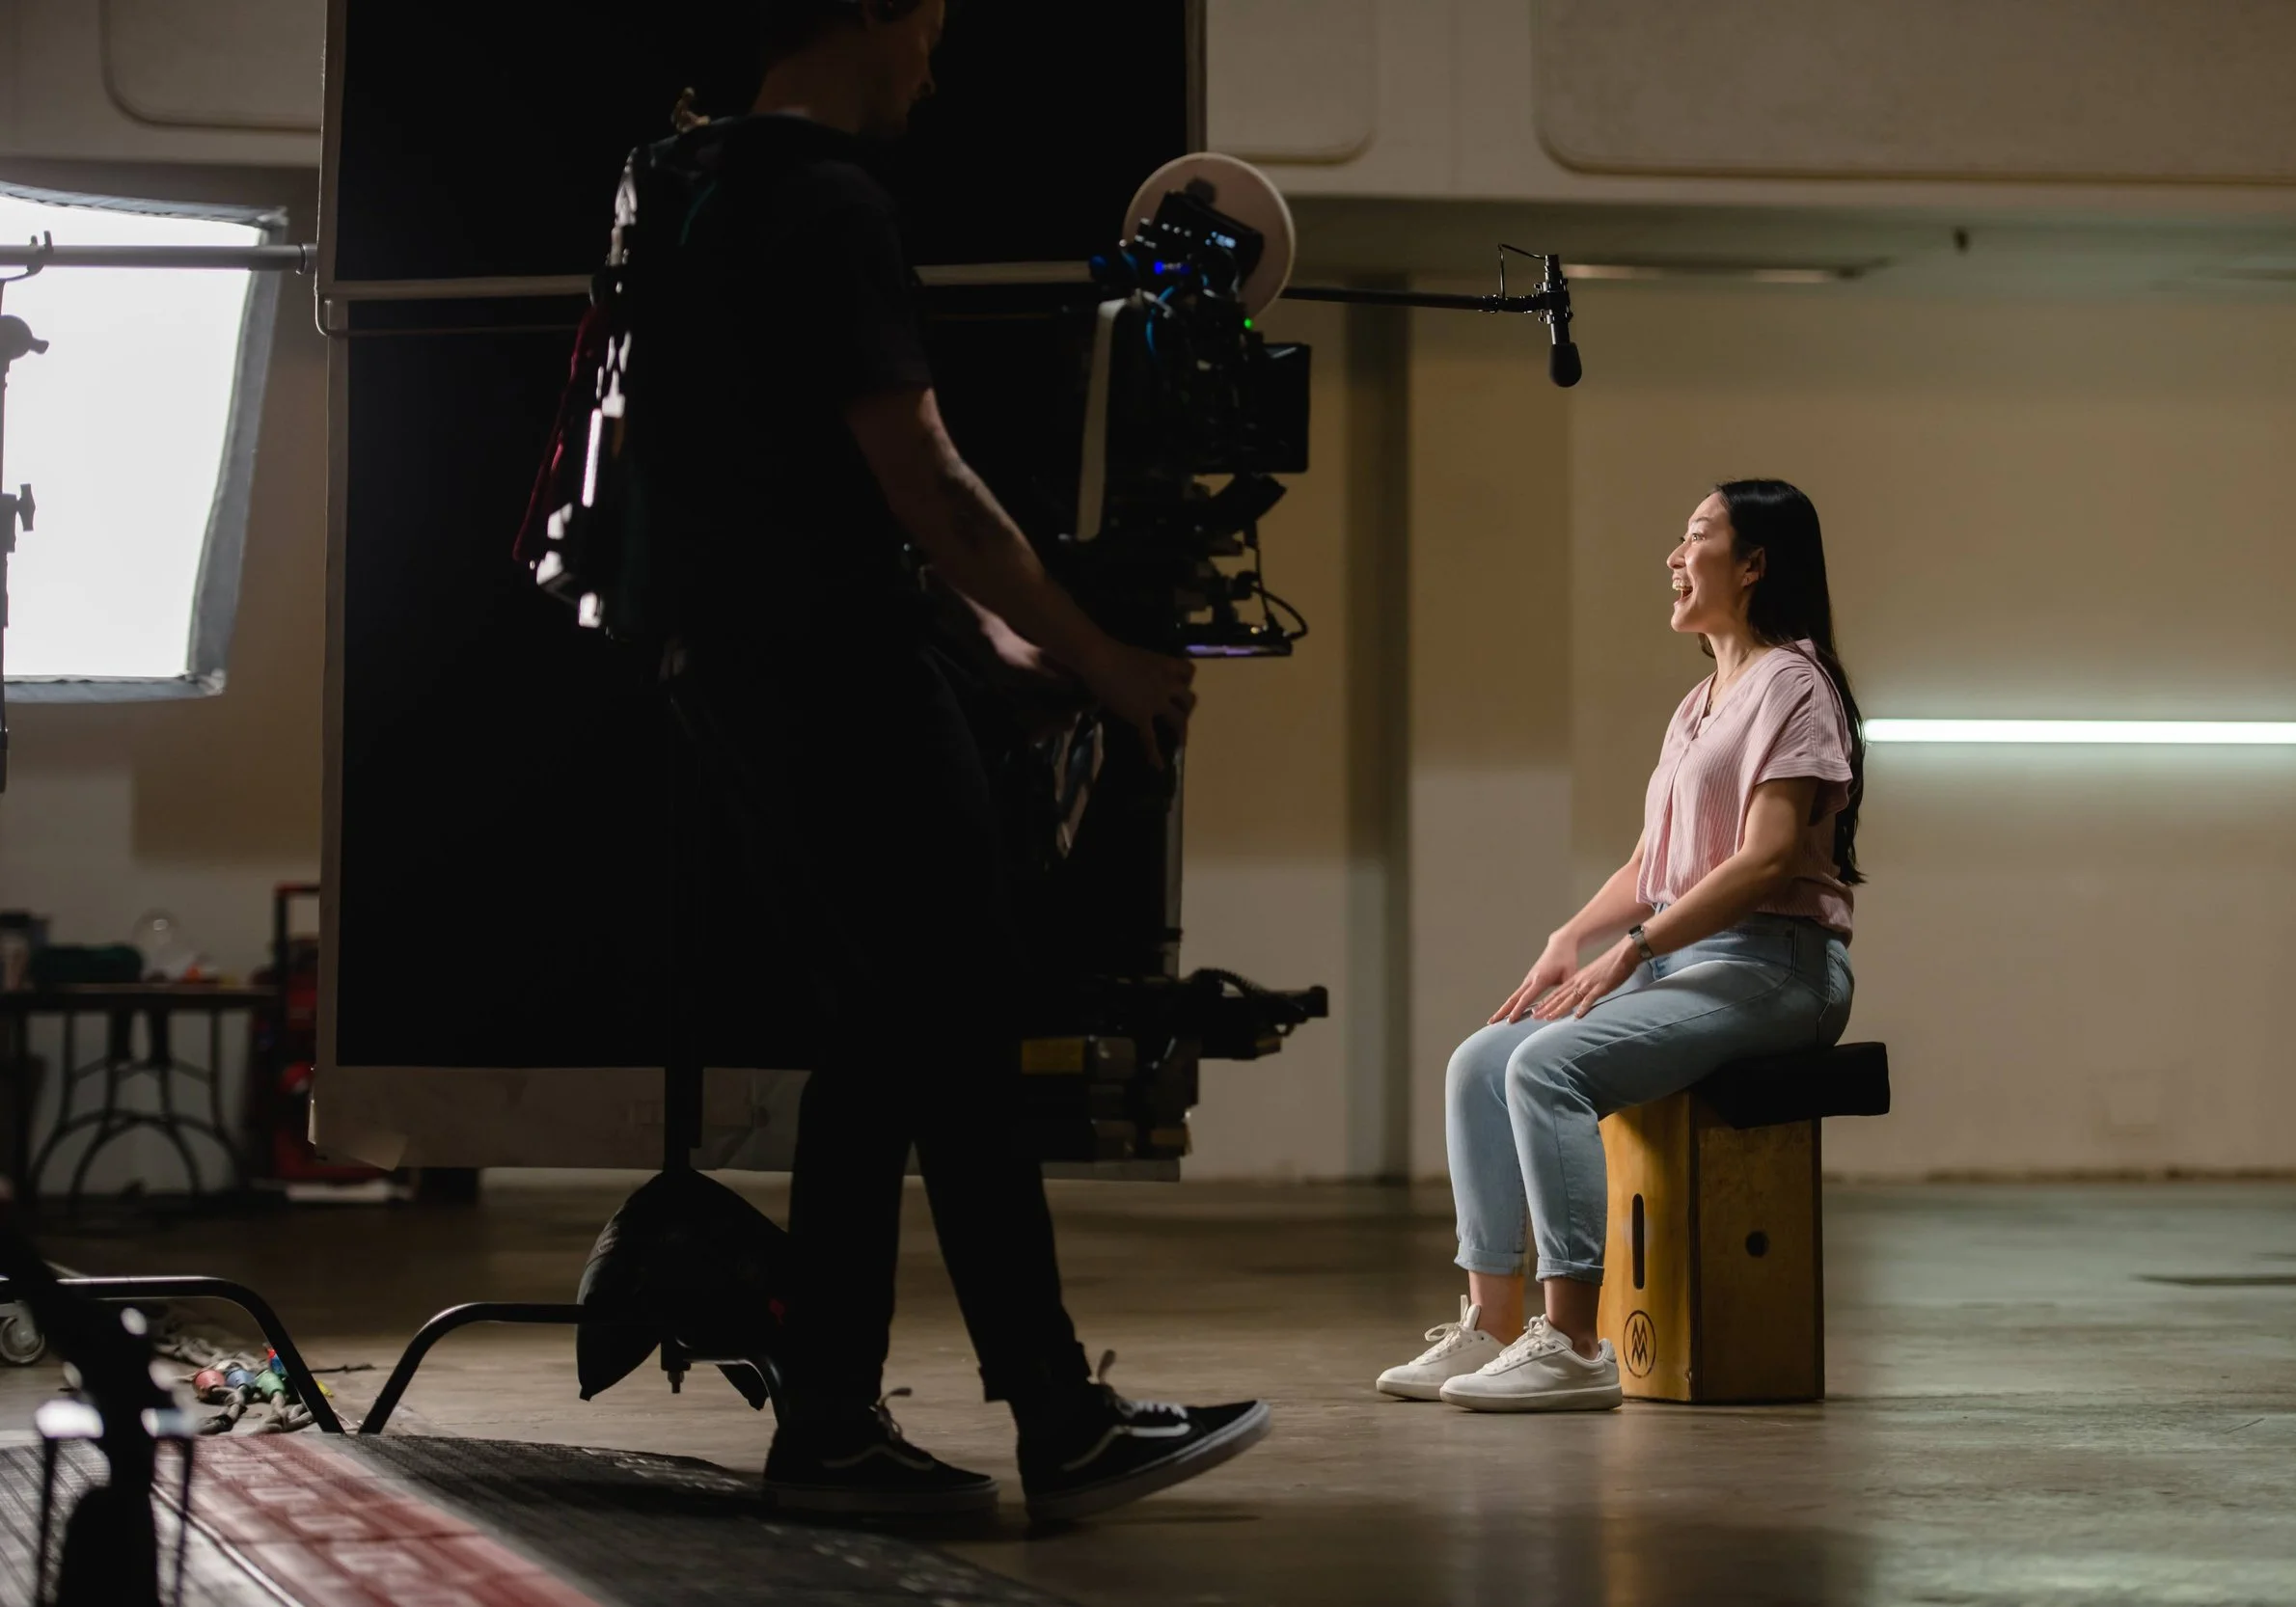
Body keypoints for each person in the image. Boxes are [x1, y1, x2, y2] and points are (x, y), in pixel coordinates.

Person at [657, 0, 1270, 1516]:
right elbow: (925, 476)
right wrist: (1105, 653)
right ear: (869, 16)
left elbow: (796, 487)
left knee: (884, 1046)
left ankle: (843, 1425)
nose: (936, 64)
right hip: (846, 687)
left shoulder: (692, 187)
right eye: (927, 25)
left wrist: (997, 649)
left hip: (749, 679)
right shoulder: (831, 200)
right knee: (958, 1027)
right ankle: (1051, 1417)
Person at [1376, 480, 1867, 1412]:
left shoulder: (1794, 685)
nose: (1674, 559)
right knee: (1483, 1061)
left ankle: (1574, 1341)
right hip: (1693, 963)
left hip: (1776, 967)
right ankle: (1488, 1322)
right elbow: (1655, 861)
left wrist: (1634, 949)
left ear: (1755, 564)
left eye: (1696, 539)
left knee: (1547, 1069)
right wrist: (1571, 938)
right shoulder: (1698, 704)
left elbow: (1764, 864)